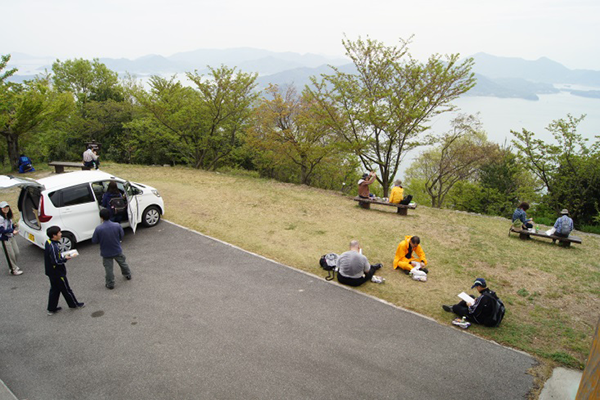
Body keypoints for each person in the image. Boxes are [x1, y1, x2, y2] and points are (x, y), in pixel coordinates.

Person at [45, 226, 84, 315]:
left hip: (51, 272)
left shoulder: (48, 242)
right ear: (54, 235)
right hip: (57, 273)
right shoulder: (53, 247)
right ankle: (74, 304)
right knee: (66, 289)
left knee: (54, 289)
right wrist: (65, 258)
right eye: (59, 233)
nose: (61, 234)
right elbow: (56, 261)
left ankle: (52, 308)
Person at [92, 208, 132, 290]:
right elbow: (122, 235)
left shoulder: (99, 229)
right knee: (123, 263)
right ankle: (127, 274)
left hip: (106, 252)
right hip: (117, 249)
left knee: (108, 269)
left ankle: (110, 284)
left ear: (101, 217)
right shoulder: (117, 225)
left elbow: (94, 240)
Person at [0, 201, 23, 276]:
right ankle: (13, 269)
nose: (6, 209)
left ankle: (13, 266)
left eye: (7, 207)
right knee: (10, 255)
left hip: (11, 237)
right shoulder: (0, 218)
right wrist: (12, 231)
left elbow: (8, 225)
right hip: (4, 239)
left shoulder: (8, 216)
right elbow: (1, 230)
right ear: (1, 208)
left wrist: (13, 226)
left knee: (16, 252)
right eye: (4, 207)